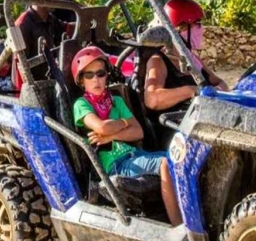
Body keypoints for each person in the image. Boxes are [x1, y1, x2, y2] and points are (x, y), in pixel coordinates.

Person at [70, 46, 181, 226]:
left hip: (134, 155)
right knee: (166, 163)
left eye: (100, 73)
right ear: (81, 80)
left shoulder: (116, 101)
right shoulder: (81, 105)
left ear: (107, 75)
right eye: (89, 75)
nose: (96, 79)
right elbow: (101, 127)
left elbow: (138, 132)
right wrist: (123, 123)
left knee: (182, 158)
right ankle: (180, 227)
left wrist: (110, 137)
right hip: (115, 165)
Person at [143, 0, 222, 110]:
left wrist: (218, 91)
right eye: (197, 24)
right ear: (180, 29)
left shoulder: (192, 58)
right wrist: (192, 90)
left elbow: (219, 82)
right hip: (174, 123)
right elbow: (152, 99)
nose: (200, 29)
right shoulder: (158, 61)